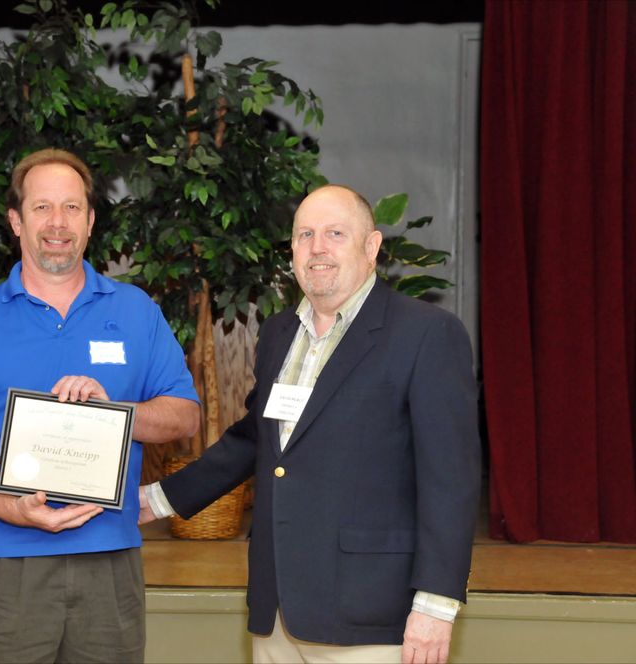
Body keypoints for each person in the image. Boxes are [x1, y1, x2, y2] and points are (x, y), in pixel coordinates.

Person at [141, 185, 481, 664]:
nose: (317, 247)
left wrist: (436, 606)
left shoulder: (426, 333)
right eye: (305, 235)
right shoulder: (279, 332)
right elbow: (256, 440)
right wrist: (157, 499)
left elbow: (452, 480)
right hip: (277, 613)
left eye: (335, 234)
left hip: (371, 619)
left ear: (372, 247)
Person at [0, 147, 201, 663]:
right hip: (9, 564)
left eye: (71, 207)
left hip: (110, 555)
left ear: (90, 221)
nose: (58, 223)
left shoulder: (136, 312)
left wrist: (118, 414)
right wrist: (12, 509)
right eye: (42, 207)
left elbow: (185, 415)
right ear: (16, 221)